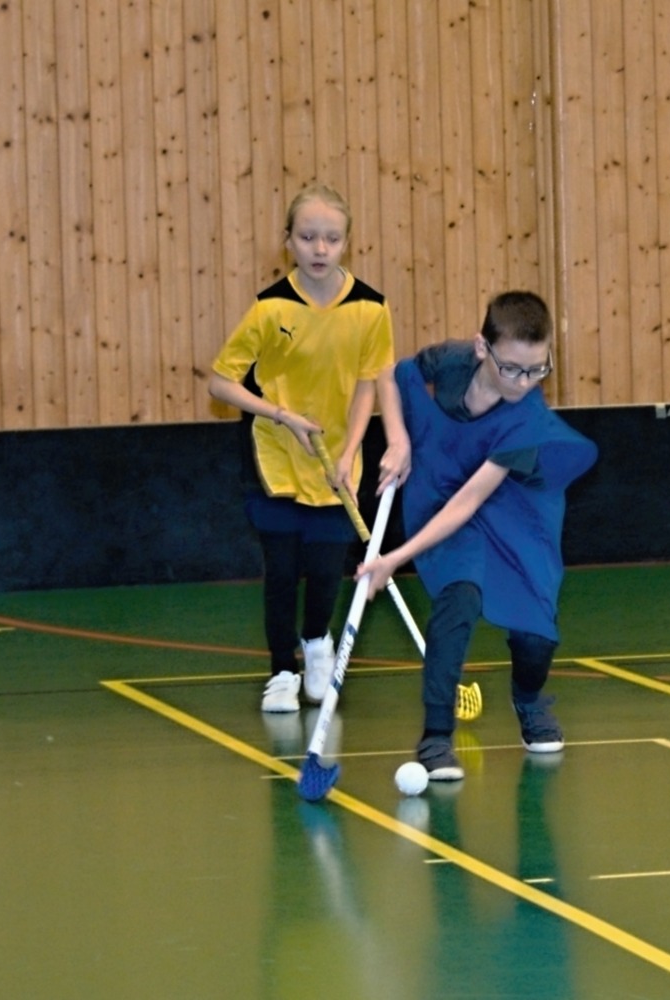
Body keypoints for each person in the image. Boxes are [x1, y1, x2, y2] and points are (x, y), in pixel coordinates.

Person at [362, 291, 597, 780]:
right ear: (480, 348)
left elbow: (471, 501)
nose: (523, 382)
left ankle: (529, 700)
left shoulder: (526, 417)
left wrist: (394, 559)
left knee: (535, 631)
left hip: (513, 504)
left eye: (537, 370)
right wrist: (398, 439)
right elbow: (390, 375)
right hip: (443, 487)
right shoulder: (450, 361)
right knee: (459, 596)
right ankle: (436, 737)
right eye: (511, 368)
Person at [209, 183, 394, 714]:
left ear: (346, 243)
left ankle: (316, 642)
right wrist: (280, 415)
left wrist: (350, 451)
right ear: (288, 240)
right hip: (276, 456)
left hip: (337, 460)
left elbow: (369, 385)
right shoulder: (271, 307)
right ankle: (281, 671)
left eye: (331, 238)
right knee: (283, 570)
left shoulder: (370, 308)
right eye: (308, 237)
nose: (319, 248)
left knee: (326, 567)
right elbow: (221, 382)